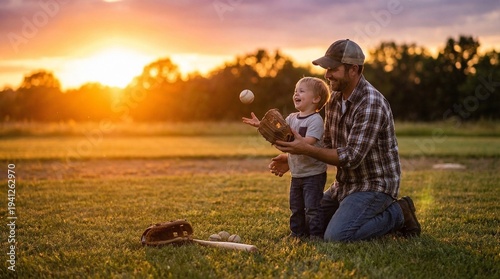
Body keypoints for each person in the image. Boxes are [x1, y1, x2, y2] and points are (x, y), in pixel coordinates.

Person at [270, 39, 421, 242]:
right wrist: (291, 157)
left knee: (337, 236)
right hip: (344, 185)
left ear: (354, 70)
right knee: (307, 226)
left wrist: (304, 149)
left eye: (333, 69)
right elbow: (328, 146)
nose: (327, 75)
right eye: (326, 68)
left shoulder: (371, 103)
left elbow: (351, 157)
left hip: (374, 185)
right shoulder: (334, 99)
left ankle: (400, 213)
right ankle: (348, 210)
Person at [243, 77, 330, 240]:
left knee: (312, 207)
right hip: (297, 174)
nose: (296, 93)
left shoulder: (316, 120)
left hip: (313, 174)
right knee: (296, 207)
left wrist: (289, 145)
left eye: (302, 91)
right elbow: (279, 129)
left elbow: (307, 144)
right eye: (295, 91)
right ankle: (297, 234)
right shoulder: (291, 118)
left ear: (316, 99)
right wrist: (261, 124)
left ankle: (316, 235)